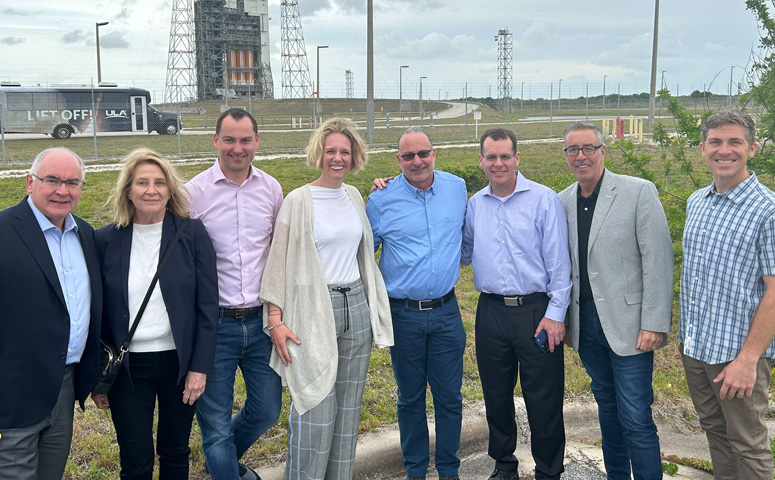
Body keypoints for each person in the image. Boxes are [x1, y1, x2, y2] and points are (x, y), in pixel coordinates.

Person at [261, 117, 393, 480]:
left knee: (348, 415)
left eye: (345, 152)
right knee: (315, 412)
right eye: (331, 150)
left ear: (355, 156)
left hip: (356, 307)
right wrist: (275, 320)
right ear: (319, 153)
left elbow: (361, 252)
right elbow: (278, 264)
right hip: (314, 312)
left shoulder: (353, 196)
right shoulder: (298, 201)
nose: (338, 158)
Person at [91, 148, 219, 480]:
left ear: (170, 189)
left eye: (160, 182)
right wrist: (97, 377)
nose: (152, 190)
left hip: (178, 364)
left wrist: (199, 369)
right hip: (128, 369)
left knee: (175, 452)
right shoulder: (105, 240)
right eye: (142, 182)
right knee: (135, 460)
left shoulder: (192, 234)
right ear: (128, 191)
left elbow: (207, 307)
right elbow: (97, 313)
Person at [558, 122, 673, 480]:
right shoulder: (562, 201)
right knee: (607, 409)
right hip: (587, 323)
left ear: (603, 151)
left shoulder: (638, 192)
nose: (581, 156)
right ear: (566, 156)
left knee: (636, 415)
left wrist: (654, 321)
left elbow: (658, 258)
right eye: (573, 150)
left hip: (629, 325)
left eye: (588, 148)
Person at [461, 128, 571, 480]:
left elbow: (559, 264)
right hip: (491, 311)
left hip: (536, 312)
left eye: (505, 156)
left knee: (544, 398)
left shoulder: (543, 200)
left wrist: (556, 315)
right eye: (490, 157)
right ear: (481, 161)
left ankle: (549, 470)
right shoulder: (475, 205)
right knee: (495, 393)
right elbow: (462, 251)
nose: (498, 163)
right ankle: (504, 463)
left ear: (517, 158)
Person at [366, 127, 467, 480]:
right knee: (409, 399)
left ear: (434, 154)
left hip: (446, 312)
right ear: (398, 160)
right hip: (404, 315)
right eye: (408, 156)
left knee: (449, 398)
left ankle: (449, 470)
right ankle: (415, 471)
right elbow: (362, 253)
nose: (417, 161)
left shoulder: (457, 189)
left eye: (423, 153)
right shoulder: (381, 200)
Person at [187, 108, 283, 480]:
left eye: (245, 140)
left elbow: (278, 251)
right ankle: (226, 466)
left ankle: (221, 460)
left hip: (262, 323)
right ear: (215, 141)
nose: (237, 148)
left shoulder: (272, 189)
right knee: (214, 425)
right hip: (215, 327)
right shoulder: (193, 193)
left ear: (257, 142)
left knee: (267, 411)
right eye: (229, 139)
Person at [680, 110, 775, 479]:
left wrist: (748, 359)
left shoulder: (767, 210)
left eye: (734, 142)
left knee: (748, 445)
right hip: (697, 348)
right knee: (716, 434)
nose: (725, 150)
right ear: (703, 148)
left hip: (737, 355)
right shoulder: (697, 202)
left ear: (751, 148)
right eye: (716, 142)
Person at [0, 147, 102, 480]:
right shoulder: (4, 231)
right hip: (14, 391)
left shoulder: (85, 234)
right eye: (52, 180)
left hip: (65, 386)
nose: (63, 190)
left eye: (73, 182)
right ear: (30, 182)